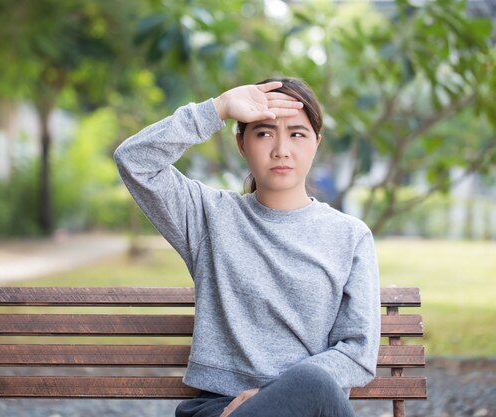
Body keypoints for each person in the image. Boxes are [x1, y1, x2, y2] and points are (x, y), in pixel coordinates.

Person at [114, 77, 381, 417]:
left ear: (317, 143)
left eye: (297, 134)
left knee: (313, 384)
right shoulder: (209, 218)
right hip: (221, 410)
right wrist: (218, 109)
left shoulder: (350, 235)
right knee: (313, 384)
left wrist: (270, 396)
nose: (281, 149)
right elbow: (134, 160)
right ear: (242, 143)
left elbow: (358, 352)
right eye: (264, 132)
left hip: (309, 408)